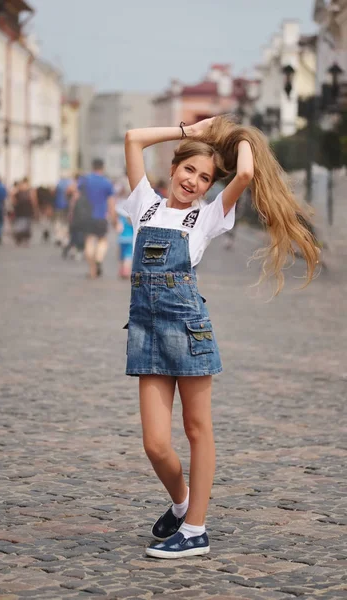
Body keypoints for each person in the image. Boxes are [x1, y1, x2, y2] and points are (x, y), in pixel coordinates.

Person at [122, 115, 318, 559]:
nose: (194, 181)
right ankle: (181, 503)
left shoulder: (208, 218)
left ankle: (195, 530)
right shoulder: (144, 206)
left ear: (211, 187)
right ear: (173, 169)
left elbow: (246, 172)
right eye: (189, 170)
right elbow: (133, 139)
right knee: (154, 443)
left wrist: (241, 136)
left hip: (188, 332)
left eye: (205, 177)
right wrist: (191, 132)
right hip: (147, 334)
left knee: (197, 429)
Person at [83, 159, 115, 278]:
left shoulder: (85, 180)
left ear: (92, 167)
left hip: (87, 216)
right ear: (103, 167)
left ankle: (92, 270)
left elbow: (74, 194)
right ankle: (98, 258)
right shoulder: (106, 183)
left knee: (89, 240)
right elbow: (111, 203)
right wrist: (114, 219)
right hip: (101, 216)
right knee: (102, 241)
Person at [115, 181, 134, 278]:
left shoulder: (120, 209)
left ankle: (121, 269)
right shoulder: (133, 212)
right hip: (131, 237)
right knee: (128, 255)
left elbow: (117, 223)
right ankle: (126, 270)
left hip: (121, 237)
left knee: (121, 255)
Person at [11, 177, 38, 246]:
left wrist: (15, 205)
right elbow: (33, 200)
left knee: (19, 224)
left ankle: (19, 239)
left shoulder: (17, 189)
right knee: (26, 225)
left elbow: (13, 199)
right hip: (27, 210)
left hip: (19, 210)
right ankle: (25, 240)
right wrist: (35, 209)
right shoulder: (30, 190)